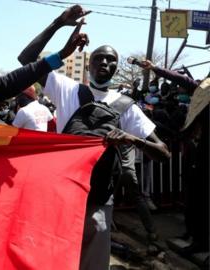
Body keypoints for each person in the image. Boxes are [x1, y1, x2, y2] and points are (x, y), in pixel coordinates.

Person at [17, 5, 170, 269]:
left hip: (99, 199)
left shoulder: (126, 106)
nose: (106, 63)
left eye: (112, 60)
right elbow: (26, 59)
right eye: (100, 58)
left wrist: (132, 139)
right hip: (60, 193)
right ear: (89, 63)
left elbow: (163, 152)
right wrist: (58, 24)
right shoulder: (67, 89)